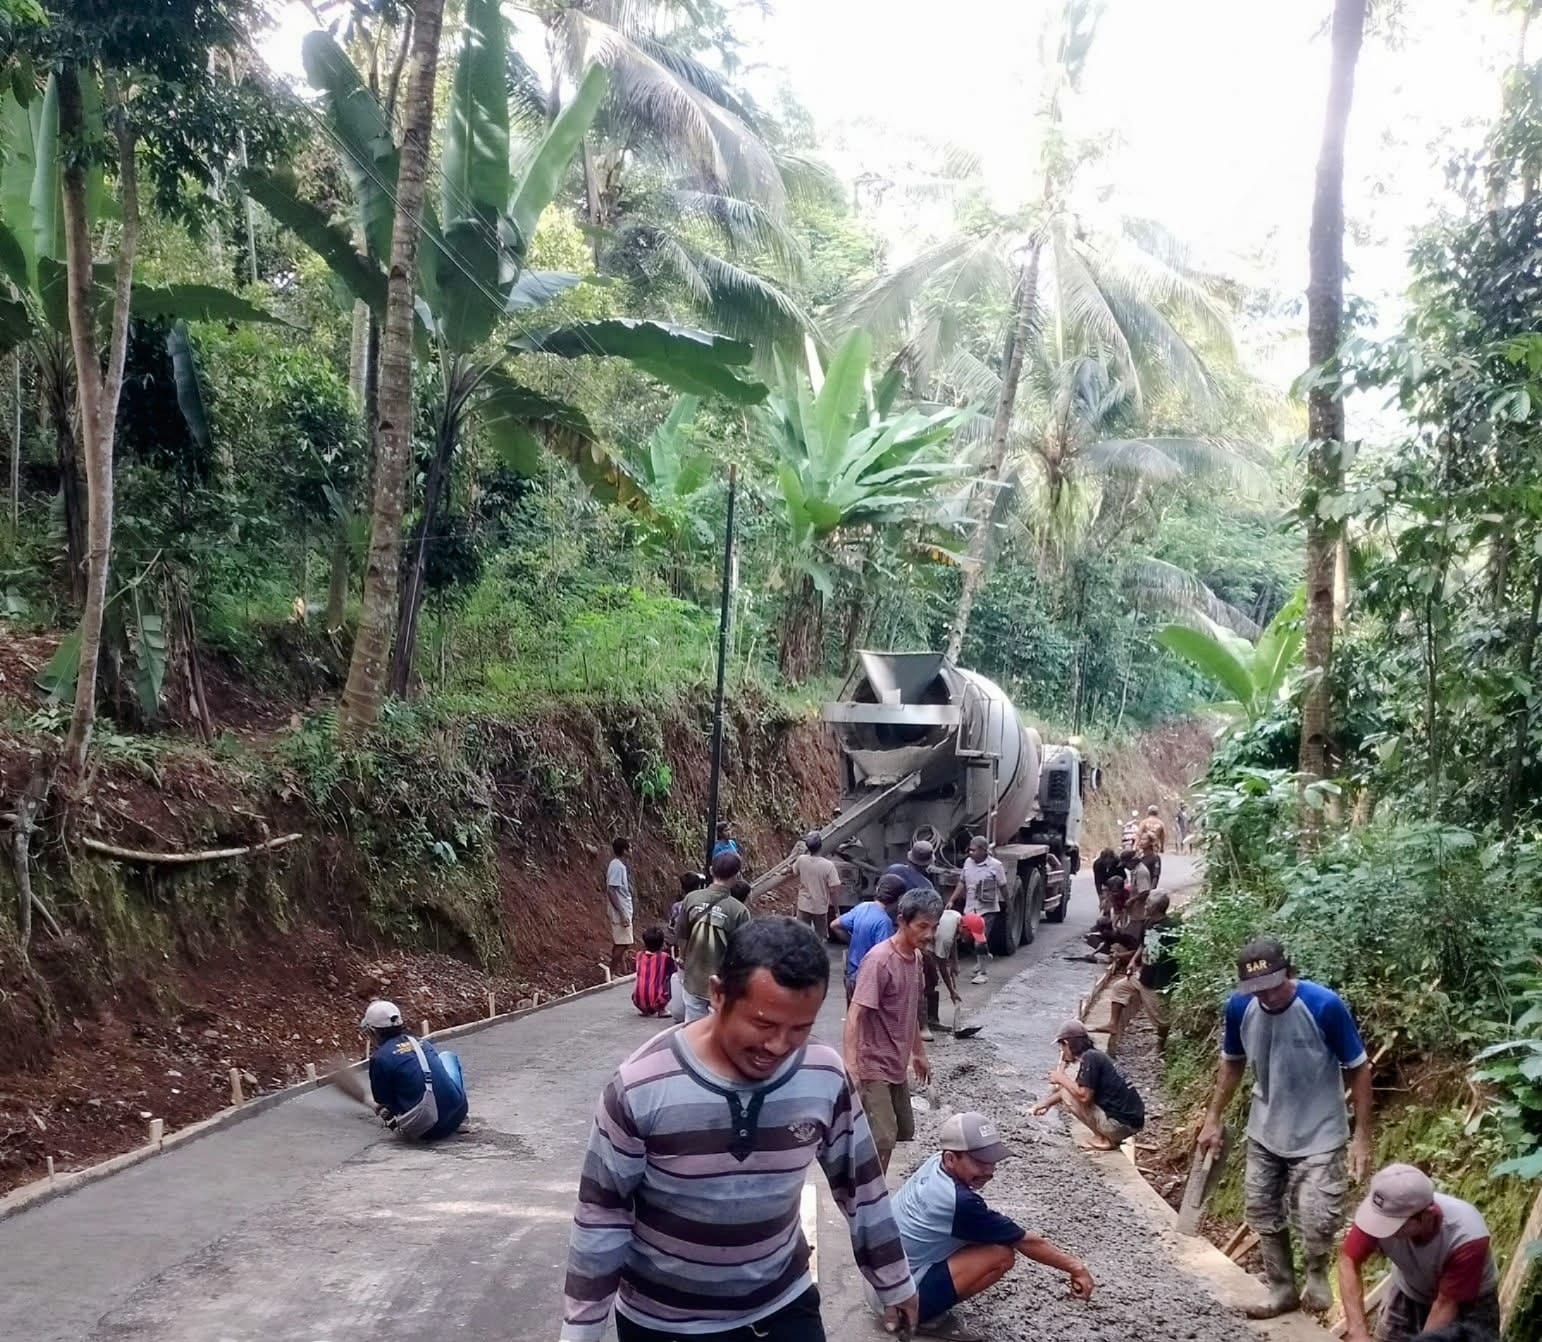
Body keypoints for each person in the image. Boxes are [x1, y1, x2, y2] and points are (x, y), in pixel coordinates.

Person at [560, 917, 919, 1342]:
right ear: (717, 994)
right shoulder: (641, 1086)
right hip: (665, 1324)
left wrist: (895, 1280)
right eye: (764, 1024)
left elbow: (861, 1185)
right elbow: (602, 1217)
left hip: (783, 1307)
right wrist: (580, 1332)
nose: (780, 1046)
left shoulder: (823, 1075)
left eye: (800, 1028)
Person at [1196, 937, 1373, 1318]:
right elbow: (1232, 1064)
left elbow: (1358, 1067)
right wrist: (1213, 1118)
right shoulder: (1240, 1007)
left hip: (1321, 1130)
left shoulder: (1323, 1005)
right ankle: (1280, 1287)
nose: (1267, 996)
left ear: (1289, 973)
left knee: (1318, 1213)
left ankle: (1315, 1270)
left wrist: (1361, 1136)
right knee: (1261, 1209)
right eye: (1257, 989)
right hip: (1266, 1126)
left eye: (1273, 986)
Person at [891, 1111, 1094, 1341]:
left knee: (980, 1237)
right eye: (979, 1162)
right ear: (950, 1158)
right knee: (1001, 1254)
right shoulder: (960, 1203)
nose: (989, 1171)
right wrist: (1076, 1268)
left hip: (883, 1282)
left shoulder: (935, 1163)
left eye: (992, 1161)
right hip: (895, 1304)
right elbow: (1026, 1241)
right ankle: (920, 1317)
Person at [1337, 1164, 1499, 1342]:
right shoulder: (1381, 1210)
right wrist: (1358, 1332)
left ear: (1426, 1216)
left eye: (1393, 1224)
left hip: (1466, 1302)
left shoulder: (1467, 1236)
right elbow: (1348, 1261)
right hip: (1409, 1289)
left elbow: (1445, 1304)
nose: (1380, 1229)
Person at [844, 888, 939, 1171]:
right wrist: (851, 1068)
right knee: (883, 1139)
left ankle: (866, 1184)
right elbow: (855, 1016)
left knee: (903, 1131)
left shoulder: (917, 959)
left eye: (933, 927)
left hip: (896, 1064)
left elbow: (909, 1009)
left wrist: (918, 1054)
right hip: (872, 1064)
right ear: (901, 921)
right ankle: (869, 1202)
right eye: (922, 926)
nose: (929, 934)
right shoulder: (880, 961)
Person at [361, 1000, 468, 1141]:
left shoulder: (381, 1058)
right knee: (447, 1056)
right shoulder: (420, 1042)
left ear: (373, 1031)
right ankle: (459, 1116)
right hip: (458, 1115)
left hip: (428, 1130)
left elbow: (383, 1099)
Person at [1031, 1019, 1144, 1151]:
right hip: (1131, 1122)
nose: (1062, 1051)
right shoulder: (1095, 1056)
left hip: (1119, 1125)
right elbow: (1073, 1090)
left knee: (1070, 1093)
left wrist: (1061, 1078)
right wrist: (1046, 1104)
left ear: (1066, 1044)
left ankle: (1103, 1138)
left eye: (1061, 1047)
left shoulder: (1090, 1059)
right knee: (1068, 1091)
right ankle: (1106, 1136)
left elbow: (1083, 1096)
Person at [673, 850, 751, 1023]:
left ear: (710, 870)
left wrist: (684, 959)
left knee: (693, 1028)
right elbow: (743, 953)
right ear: (737, 876)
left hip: (694, 979)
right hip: (723, 984)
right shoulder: (739, 911)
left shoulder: (691, 899)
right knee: (720, 1028)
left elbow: (682, 935)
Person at [1107, 892, 1179, 1052]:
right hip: (1144, 974)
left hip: (1159, 980)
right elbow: (1143, 945)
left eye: (1148, 904)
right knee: (1120, 988)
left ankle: (1161, 1044)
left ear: (1156, 908)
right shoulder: (1147, 923)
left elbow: (1177, 956)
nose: (1145, 906)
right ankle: (1112, 1024)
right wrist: (1133, 962)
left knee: (1160, 1016)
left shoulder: (1172, 929)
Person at [831, 872, 906, 1001]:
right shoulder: (884, 922)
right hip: (868, 982)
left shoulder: (862, 907)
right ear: (899, 899)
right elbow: (884, 959)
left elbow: (834, 925)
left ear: (878, 889)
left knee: (853, 1017)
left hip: (851, 977)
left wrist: (853, 941)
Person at [950, 837, 1006, 986]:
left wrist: (1009, 904)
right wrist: (952, 900)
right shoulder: (968, 863)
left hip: (987, 910)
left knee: (980, 942)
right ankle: (985, 956)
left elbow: (1003, 886)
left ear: (983, 850)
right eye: (970, 849)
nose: (970, 853)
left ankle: (983, 973)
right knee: (966, 939)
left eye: (973, 850)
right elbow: (962, 882)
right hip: (970, 909)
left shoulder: (995, 866)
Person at [789, 832, 843, 940]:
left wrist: (785, 870)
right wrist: (837, 909)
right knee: (820, 938)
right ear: (821, 846)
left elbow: (793, 871)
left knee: (801, 936)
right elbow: (833, 890)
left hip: (803, 905)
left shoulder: (802, 860)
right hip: (820, 908)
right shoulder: (828, 866)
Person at [606, 837, 635, 978]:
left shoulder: (618, 865)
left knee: (620, 941)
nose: (631, 850)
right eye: (629, 848)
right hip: (620, 910)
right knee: (623, 944)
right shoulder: (617, 867)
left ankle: (617, 971)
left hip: (623, 908)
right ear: (624, 850)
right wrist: (622, 913)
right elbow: (611, 890)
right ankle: (611, 972)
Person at [632, 926, 676, 1017]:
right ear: (661, 943)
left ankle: (645, 1010)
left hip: (637, 1001)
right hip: (657, 1000)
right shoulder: (665, 957)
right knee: (672, 978)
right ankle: (662, 1009)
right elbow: (673, 970)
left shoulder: (639, 955)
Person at [1091, 847, 1121, 914]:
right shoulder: (1097, 864)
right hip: (1104, 882)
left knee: (1118, 905)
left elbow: (1123, 876)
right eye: (1106, 862)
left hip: (1116, 882)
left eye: (1110, 861)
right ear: (1102, 859)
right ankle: (1106, 916)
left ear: (1113, 858)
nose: (1108, 863)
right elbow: (1097, 881)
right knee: (1105, 904)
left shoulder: (1117, 861)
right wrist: (1100, 895)